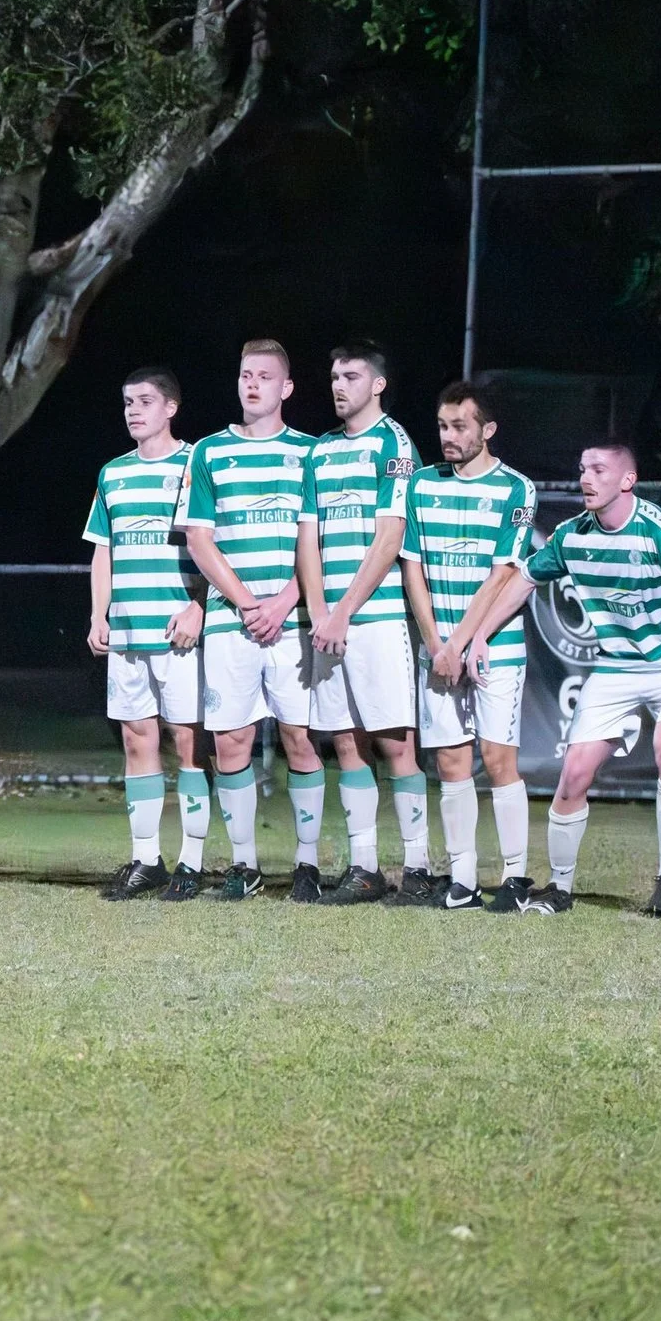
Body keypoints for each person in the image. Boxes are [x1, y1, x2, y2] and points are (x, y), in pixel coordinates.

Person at [451, 443, 661, 918]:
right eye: (582, 469)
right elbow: (522, 582)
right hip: (615, 666)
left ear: (627, 480)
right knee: (574, 774)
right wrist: (480, 634)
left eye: (599, 470)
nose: (586, 478)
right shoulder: (570, 536)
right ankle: (559, 888)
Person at [182, 340, 328, 902]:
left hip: (293, 621)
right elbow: (200, 540)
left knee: (299, 738)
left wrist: (287, 600)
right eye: (246, 374)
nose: (253, 383)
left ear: (286, 388)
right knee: (231, 741)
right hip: (231, 621)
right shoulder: (209, 452)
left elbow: (321, 542)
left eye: (265, 376)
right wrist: (246, 602)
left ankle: (307, 864)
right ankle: (244, 865)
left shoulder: (311, 453)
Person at [398, 381, 539, 912]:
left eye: (460, 426)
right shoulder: (420, 485)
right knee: (451, 762)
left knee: (499, 758)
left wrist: (459, 643)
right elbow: (412, 567)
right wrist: (436, 642)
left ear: (488, 430)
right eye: (442, 426)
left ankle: (515, 877)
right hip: (438, 650)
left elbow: (503, 574)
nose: (448, 436)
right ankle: (463, 880)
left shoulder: (517, 489)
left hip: (493, 648)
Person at [301, 344, 431, 906]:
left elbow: (390, 537)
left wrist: (343, 611)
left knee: (395, 743)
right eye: (334, 376)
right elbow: (307, 536)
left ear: (377, 385)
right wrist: (318, 611)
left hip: (374, 621)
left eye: (351, 376)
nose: (338, 385)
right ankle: (365, 868)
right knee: (345, 741)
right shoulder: (321, 449)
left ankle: (419, 870)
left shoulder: (394, 444)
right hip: (328, 624)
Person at [83, 368, 206, 900]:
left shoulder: (196, 464)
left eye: (145, 401)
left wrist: (199, 607)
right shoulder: (113, 473)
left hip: (179, 632)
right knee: (137, 739)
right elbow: (103, 550)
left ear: (171, 407)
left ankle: (192, 862)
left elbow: (215, 545)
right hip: (130, 632)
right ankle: (146, 858)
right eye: (128, 402)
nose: (134, 410)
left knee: (188, 741)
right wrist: (99, 615)